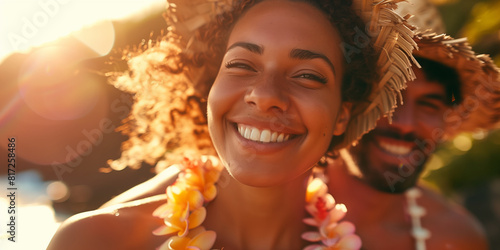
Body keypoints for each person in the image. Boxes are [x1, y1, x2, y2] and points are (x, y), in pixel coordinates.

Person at [47, 0, 418, 249]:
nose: (265, 94)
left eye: (307, 75)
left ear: (342, 116)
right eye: (241, 65)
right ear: (212, 88)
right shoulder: (96, 241)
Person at [328, 31, 500, 249]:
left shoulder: (456, 239)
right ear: (345, 103)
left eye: (429, 104)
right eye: (387, 97)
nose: (405, 124)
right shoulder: (281, 200)